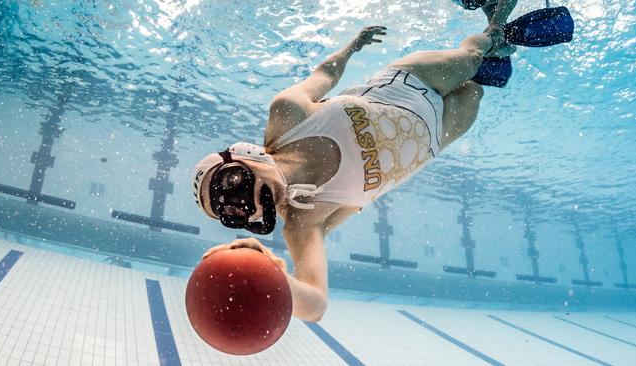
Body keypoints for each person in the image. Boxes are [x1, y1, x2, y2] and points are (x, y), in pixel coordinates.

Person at [193, 26, 514, 322]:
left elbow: (325, 74)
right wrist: (272, 275)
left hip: (409, 84)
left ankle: (494, 29)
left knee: (472, 59)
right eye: (231, 212)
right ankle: (499, 48)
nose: (241, 201)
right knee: (474, 91)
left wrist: (352, 47)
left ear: (242, 154)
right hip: (435, 135)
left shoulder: (287, 114)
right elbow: (316, 305)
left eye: (230, 184)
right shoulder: (303, 224)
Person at [452, 0, 519, 55]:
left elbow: (496, 24)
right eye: (474, 5)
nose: (487, 1)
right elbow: (508, 46)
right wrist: (496, 47)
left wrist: (496, 23)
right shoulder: (487, 3)